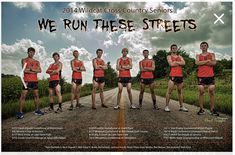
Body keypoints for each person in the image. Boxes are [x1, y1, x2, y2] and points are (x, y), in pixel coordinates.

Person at [17, 47, 44, 119]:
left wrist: (31, 69)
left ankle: (37, 110)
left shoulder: (37, 62)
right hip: (26, 81)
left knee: (36, 96)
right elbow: (24, 70)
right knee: (23, 96)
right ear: (28, 52)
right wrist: (34, 70)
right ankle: (20, 112)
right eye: (30, 52)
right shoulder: (24, 60)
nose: (31, 53)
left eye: (32, 52)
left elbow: (40, 70)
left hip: (35, 81)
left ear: (34, 53)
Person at [196, 42, 219, 116]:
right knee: (201, 91)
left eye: (205, 46)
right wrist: (207, 61)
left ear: (207, 47)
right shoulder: (198, 55)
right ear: (200, 47)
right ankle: (201, 109)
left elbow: (214, 63)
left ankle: (212, 109)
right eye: (202, 46)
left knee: (211, 90)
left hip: (210, 75)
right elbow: (197, 63)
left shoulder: (212, 54)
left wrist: (202, 62)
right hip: (201, 76)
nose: (203, 47)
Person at [164, 44, 188, 112]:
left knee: (180, 92)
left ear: (176, 49)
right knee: (169, 91)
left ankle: (181, 107)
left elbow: (184, 63)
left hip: (180, 75)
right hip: (173, 75)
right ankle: (166, 106)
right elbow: (171, 64)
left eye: (175, 48)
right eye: (173, 48)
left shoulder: (180, 56)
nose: (174, 49)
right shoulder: (169, 56)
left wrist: (176, 62)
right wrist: (179, 62)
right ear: (171, 49)